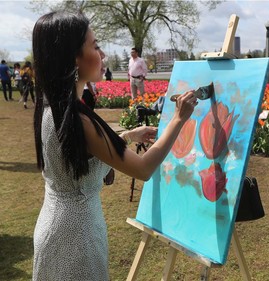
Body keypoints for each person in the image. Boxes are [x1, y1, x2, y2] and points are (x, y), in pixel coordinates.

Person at [32, 11, 198, 281]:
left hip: (58, 228)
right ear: (73, 57)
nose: (103, 55)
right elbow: (143, 168)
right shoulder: (77, 119)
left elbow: (82, 158)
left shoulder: (52, 108)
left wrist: (129, 135)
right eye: (95, 46)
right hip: (75, 240)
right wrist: (178, 119)